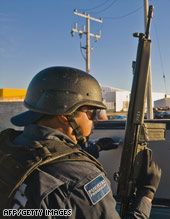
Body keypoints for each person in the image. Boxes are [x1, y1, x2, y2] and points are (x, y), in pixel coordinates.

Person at [2, 66, 161, 218]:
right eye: (92, 112)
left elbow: (43, 158)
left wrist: (97, 147)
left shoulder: (8, 146)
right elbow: (66, 175)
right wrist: (146, 194)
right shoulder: (83, 180)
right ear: (65, 115)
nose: (95, 119)